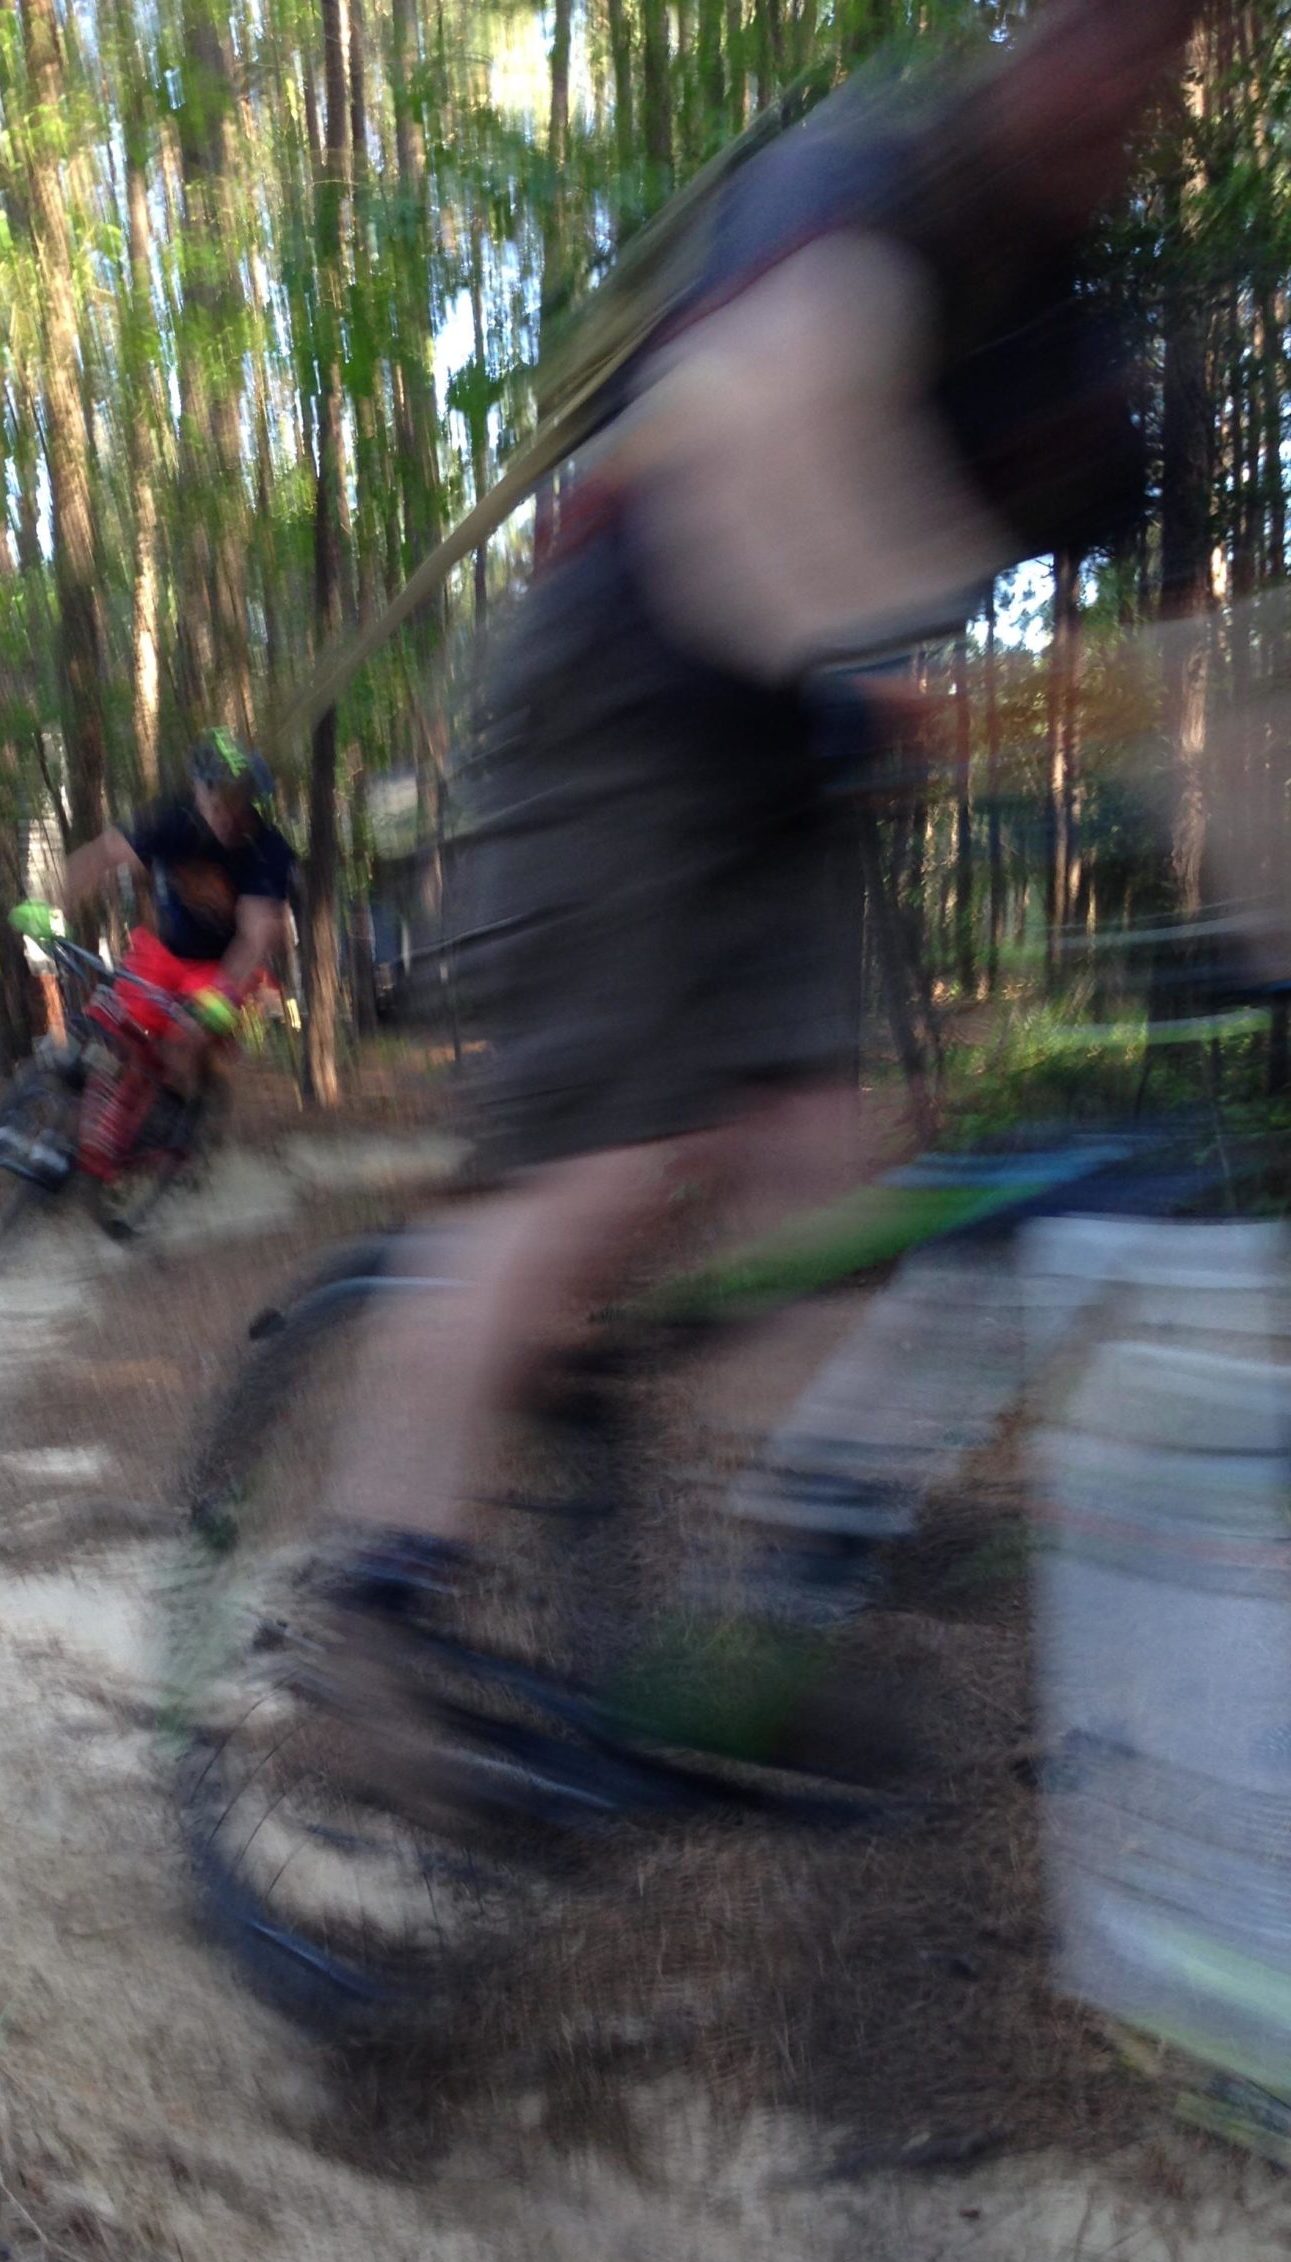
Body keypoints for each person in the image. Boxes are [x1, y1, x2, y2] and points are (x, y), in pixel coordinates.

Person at [300, 0, 1202, 1790]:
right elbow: (730, 468)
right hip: (616, 689)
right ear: (1032, 45)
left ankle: (750, 1630)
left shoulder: (1077, 332)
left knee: (823, 1168)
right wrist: (884, 679)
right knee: (611, 1161)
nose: (1125, 84)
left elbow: (1177, 672)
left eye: (1166, 54)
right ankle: (358, 1635)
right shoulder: (854, 178)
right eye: (1101, 36)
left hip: (793, 750)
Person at [25, 730, 294, 1181]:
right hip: (164, 950)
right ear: (199, 789)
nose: (226, 812)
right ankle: (79, 1132)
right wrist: (45, 901)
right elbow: (102, 855)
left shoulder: (267, 851)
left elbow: (257, 934)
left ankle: (179, 1127)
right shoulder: (173, 819)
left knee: (182, 1039)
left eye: (238, 801)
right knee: (109, 1022)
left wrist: (220, 996)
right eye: (216, 798)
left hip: (224, 965)